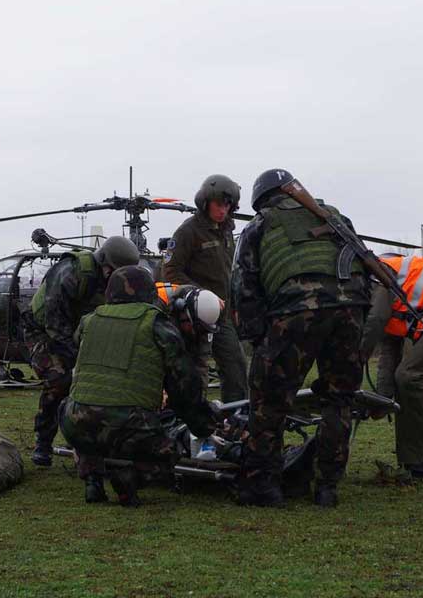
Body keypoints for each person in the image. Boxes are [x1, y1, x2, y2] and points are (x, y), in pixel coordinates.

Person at [231, 168, 369, 508]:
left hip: (294, 312)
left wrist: (257, 336)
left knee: (269, 399)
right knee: (339, 399)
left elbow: (243, 286)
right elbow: (363, 261)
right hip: (350, 310)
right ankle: (327, 487)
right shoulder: (335, 217)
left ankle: (265, 486)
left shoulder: (260, 225)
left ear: (261, 199)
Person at [59, 266, 217, 506]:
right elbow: (185, 389)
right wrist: (204, 426)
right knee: (169, 450)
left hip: (74, 423)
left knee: (80, 417)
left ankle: (93, 480)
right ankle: (129, 479)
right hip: (130, 426)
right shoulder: (157, 324)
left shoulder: (88, 321)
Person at [24, 236, 140, 467]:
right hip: (43, 332)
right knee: (60, 380)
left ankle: (88, 441)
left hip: (80, 334)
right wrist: (83, 357)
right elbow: (55, 325)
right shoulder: (70, 274)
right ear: (104, 263)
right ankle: (43, 442)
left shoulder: (116, 282)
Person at [361, 256, 423, 479]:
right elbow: (389, 355)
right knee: (402, 382)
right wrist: (382, 399)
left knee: (410, 376)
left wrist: (356, 357)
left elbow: (375, 320)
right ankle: (412, 464)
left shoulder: (378, 275)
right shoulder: (394, 305)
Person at [163, 174, 248, 403]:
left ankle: (234, 418)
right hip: (192, 315)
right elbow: (170, 272)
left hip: (223, 315)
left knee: (236, 369)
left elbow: (228, 273)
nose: (223, 210)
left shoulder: (227, 231)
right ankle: (190, 420)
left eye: (228, 205)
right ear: (205, 202)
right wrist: (201, 296)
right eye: (219, 204)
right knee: (193, 373)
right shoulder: (188, 231)